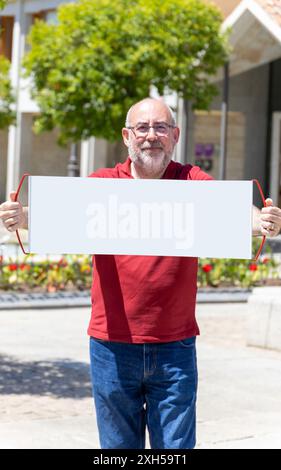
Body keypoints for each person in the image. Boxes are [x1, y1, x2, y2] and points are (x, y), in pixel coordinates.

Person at [1, 98, 281, 449]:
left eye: (161, 127)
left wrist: (262, 222)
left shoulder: (191, 180)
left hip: (174, 346)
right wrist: (20, 216)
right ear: (126, 136)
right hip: (111, 346)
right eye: (142, 128)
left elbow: (238, 213)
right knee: (118, 451)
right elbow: (56, 212)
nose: (152, 136)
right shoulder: (104, 184)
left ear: (175, 135)